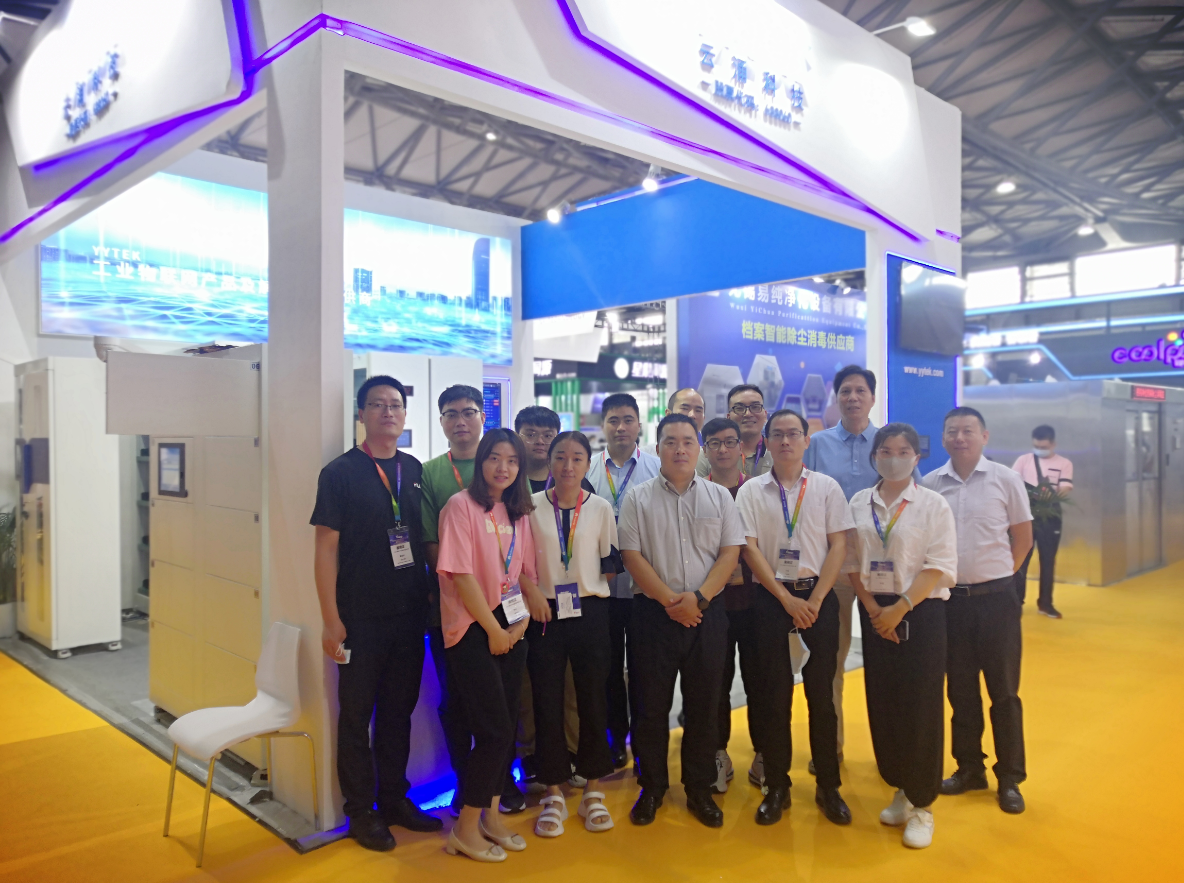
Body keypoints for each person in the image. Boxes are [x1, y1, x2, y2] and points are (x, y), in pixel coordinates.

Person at [310, 375, 443, 851]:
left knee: (397, 712)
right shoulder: (340, 473)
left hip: (409, 615)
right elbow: (325, 549)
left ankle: (394, 799)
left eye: (395, 405)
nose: (388, 412)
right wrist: (331, 618)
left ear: (405, 415)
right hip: (359, 618)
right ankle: (361, 811)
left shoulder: (414, 469)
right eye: (378, 405)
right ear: (362, 415)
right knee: (356, 717)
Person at [618, 414, 746, 828]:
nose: (679, 449)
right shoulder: (637, 499)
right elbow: (631, 556)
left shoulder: (719, 497)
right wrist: (671, 601)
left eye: (688, 442)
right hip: (653, 616)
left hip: (707, 615)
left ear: (699, 449)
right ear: (657, 449)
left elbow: (730, 552)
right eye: (670, 442)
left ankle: (699, 789)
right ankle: (652, 787)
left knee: (704, 706)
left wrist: (700, 599)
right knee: (649, 707)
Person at [735, 409, 854, 826]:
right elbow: (748, 548)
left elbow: (839, 545)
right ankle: (777, 786)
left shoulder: (826, 487)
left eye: (794, 434)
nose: (786, 441)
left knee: (822, 696)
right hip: (771, 600)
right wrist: (785, 598)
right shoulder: (751, 491)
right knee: (774, 695)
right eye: (778, 435)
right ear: (766, 441)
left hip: (818, 597)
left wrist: (816, 599)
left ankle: (829, 786)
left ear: (806, 440)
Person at [847, 423, 957, 850]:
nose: (894, 458)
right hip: (875, 611)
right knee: (884, 701)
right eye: (886, 451)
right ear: (874, 456)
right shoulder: (859, 502)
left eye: (903, 451)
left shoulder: (932, 504)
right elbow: (851, 561)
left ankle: (923, 804)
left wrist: (900, 608)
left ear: (916, 457)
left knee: (921, 706)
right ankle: (900, 787)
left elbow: (938, 564)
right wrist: (874, 610)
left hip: (920, 611)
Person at [922, 407, 1033, 817]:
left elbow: (1023, 538)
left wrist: (1000, 577)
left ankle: (1010, 778)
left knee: (1003, 691)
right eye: (952, 431)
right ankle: (970, 768)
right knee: (960, 689)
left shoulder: (1006, 479)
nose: (960, 437)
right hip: (951, 602)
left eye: (968, 430)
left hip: (997, 601)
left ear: (984, 436)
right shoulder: (932, 485)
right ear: (944, 438)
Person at [421, 385, 524, 815]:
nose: (460, 421)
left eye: (469, 412)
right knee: (458, 702)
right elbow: (433, 544)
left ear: (483, 416)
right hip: (458, 610)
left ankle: (498, 785)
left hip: (503, 610)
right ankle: (468, 786)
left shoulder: (509, 482)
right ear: (441, 421)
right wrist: (459, 589)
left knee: (503, 708)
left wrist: (515, 614)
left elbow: (516, 558)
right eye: (451, 414)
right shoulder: (431, 474)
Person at [803, 366, 912, 771]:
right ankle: (829, 748)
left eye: (860, 391)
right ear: (836, 398)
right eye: (845, 391)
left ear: (872, 397)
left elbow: (910, 496)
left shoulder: (888, 443)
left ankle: (893, 751)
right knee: (830, 660)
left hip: (879, 569)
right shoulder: (817, 444)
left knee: (886, 660)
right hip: (831, 567)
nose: (852, 397)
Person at [436, 429, 538, 862]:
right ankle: (464, 829)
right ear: (480, 461)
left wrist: (522, 620)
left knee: (507, 728)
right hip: (472, 627)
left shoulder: (517, 511)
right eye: (495, 458)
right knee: (492, 732)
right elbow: (461, 575)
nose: (503, 467)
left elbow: (521, 573)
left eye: (512, 461)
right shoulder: (460, 506)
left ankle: (491, 818)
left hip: (510, 623)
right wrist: (494, 630)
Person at [525, 431, 622, 837]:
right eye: (560, 457)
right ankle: (552, 791)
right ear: (549, 461)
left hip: (590, 611)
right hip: (543, 612)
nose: (568, 466)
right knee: (545, 701)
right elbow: (520, 564)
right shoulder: (529, 506)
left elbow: (610, 565)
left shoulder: (599, 507)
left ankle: (593, 788)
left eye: (577, 458)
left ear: (587, 464)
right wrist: (537, 593)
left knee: (592, 700)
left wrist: (582, 584)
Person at [586, 393, 661, 769]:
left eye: (628, 420)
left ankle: (645, 742)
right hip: (600, 589)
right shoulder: (586, 469)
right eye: (613, 420)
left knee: (646, 670)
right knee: (608, 670)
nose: (620, 427)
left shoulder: (657, 468)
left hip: (645, 588)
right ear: (603, 426)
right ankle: (615, 740)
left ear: (639, 425)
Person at [699, 417, 762, 795]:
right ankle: (717, 752)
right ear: (706, 450)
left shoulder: (757, 491)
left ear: (741, 447)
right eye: (714, 443)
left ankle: (763, 752)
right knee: (714, 683)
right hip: (713, 604)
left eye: (729, 442)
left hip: (755, 603)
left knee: (761, 681)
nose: (722, 449)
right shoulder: (696, 492)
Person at [1012, 425, 1072, 619]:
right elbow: (1013, 484)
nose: (1039, 450)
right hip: (1026, 515)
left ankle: (1045, 603)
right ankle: (1016, 602)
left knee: (1048, 560)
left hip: (1050, 516)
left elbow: (1065, 488)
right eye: (1036, 446)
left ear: (1053, 444)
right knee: (1021, 559)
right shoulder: (1024, 460)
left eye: (1044, 447)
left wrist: (1051, 494)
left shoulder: (1064, 463)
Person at [696, 384, 771, 478]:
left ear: (765, 415)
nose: (748, 414)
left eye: (755, 407)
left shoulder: (777, 453)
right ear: (729, 417)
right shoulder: (710, 453)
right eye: (739, 408)